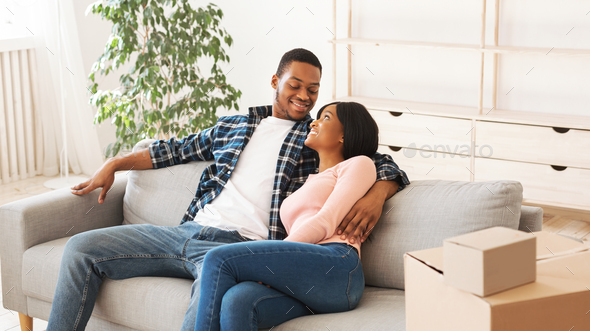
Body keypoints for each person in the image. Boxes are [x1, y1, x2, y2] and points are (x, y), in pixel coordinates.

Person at [47, 48, 410, 330]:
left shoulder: (314, 138)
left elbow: (374, 159)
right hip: (183, 233)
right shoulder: (233, 126)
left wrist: (378, 195)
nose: (304, 97)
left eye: (312, 90)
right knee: (82, 248)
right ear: (275, 82)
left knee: (220, 290)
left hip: (241, 246)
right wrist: (113, 163)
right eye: (295, 86)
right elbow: (173, 149)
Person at [194, 101, 379, 331]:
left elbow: (326, 221)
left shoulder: (359, 164)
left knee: (217, 259)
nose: (315, 122)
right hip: (306, 279)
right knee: (237, 301)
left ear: (344, 134)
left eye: (326, 117)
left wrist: (269, 262)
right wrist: (273, 263)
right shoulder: (307, 182)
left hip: (337, 268)